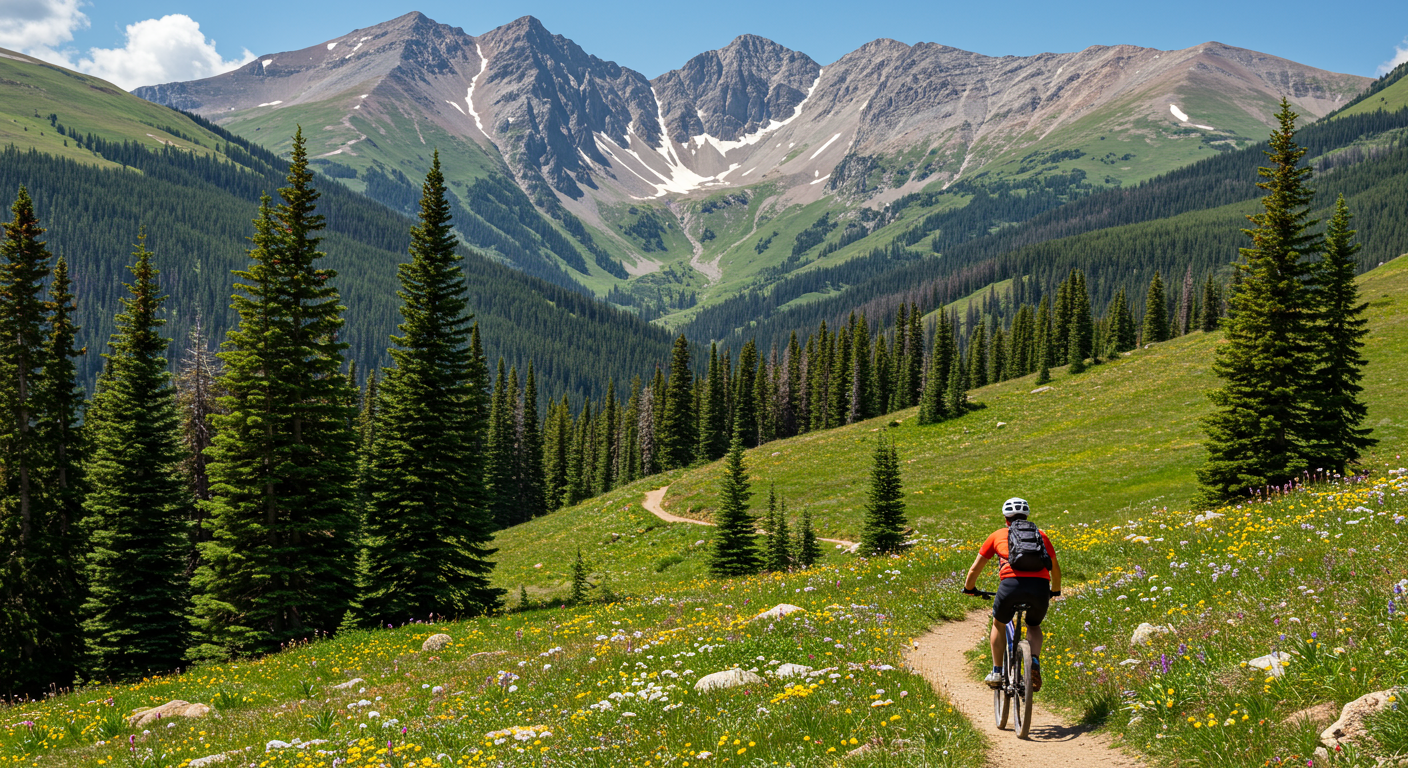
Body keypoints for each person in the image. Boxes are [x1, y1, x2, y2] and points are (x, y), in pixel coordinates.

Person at [962, 497, 1060, 692]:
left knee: (998, 623)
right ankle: (1033, 662)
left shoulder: (997, 535)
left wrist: (969, 588)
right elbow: (1055, 568)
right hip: (1040, 587)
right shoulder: (1040, 535)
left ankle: (997, 672)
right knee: (1033, 624)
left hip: (1010, 586)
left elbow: (975, 569)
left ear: (1006, 519)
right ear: (1027, 516)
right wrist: (1055, 590)